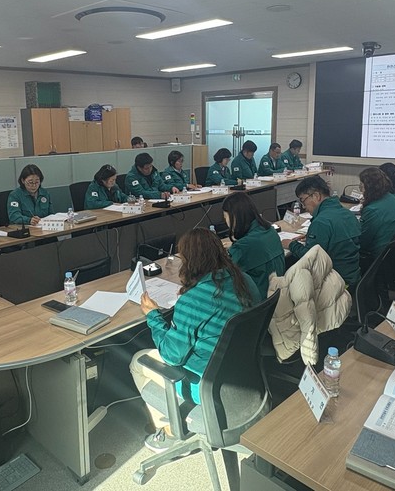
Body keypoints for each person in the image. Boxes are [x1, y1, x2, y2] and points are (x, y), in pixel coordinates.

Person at [130, 228, 262, 452]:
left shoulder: (194, 300)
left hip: (207, 386)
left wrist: (153, 316)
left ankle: (170, 432)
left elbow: (171, 356)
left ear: (190, 262)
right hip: (246, 376)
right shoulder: (244, 280)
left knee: (138, 360)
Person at [284, 175, 361, 287]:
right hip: (353, 276)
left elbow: (311, 259)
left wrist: (291, 245)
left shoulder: (321, 222)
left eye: (303, 200)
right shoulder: (347, 213)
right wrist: (311, 236)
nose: (303, 206)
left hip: (336, 283)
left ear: (316, 196)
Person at [222, 192, 285, 297]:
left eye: (225, 217)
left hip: (258, 299)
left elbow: (222, 274)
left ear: (235, 216)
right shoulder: (270, 231)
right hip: (278, 294)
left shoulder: (242, 246)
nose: (226, 221)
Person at [358, 167, 395, 259]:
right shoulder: (391, 198)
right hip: (391, 252)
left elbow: (362, 242)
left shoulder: (372, 210)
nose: (360, 189)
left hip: (376, 255)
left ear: (369, 187)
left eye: (361, 185)